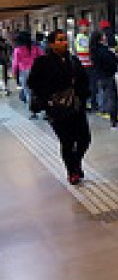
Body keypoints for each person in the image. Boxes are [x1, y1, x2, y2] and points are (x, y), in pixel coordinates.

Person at [26, 29, 91, 184]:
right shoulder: (43, 62)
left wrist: (82, 96)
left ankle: (75, 163)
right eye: (60, 40)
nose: (64, 43)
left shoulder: (73, 60)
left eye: (65, 39)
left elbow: (83, 80)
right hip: (57, 110)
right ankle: (72, 171)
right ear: (51, 44)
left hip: (75, 106)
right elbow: (32, 82)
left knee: (84, 139)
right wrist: (48, 98)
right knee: (67, 141)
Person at [89, 29, 118, 127]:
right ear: (100, 38)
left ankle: (106, 112)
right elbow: (111, 61)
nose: (105, 37)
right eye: (103, 36)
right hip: (107, 76)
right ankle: (114, 120)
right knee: (112, 98)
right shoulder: (103, 50)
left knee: (105, 96)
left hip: (99, 76)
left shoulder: (94, 50)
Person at [12, 30, 45, 117]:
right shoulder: (35, 47)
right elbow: (42, 56)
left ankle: (33, 113)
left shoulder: (17, 49)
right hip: (36, 71)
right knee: (40, 90)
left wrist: (14, 74)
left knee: (28, 92)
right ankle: (45, 111)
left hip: (24, 72)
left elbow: (15, 64)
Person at [73, 19, 96, 111]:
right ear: (81, 27)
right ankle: (90, 103)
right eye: (85, 26)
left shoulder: (82, 37)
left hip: (85, 65)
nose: (87, 28)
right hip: (86, 65)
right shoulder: (81, 37)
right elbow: (88, 49)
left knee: (87, 85)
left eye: (87, 26)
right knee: (90, 85)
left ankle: (88, 103)